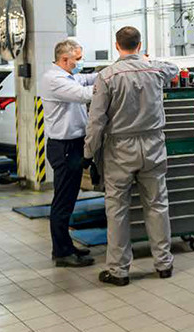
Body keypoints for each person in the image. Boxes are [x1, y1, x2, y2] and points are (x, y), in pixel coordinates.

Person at [85, 26, 179, 286]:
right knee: (157, 205)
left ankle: (118, 271)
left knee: (117, 210)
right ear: (140, 45)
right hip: (153, 145)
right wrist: (146, 60)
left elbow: (96, 121)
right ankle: (164, 264)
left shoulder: (106, 76)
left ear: (116, 45)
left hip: (120, 149)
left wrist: (89, 152)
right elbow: (174, 68)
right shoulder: (155, 70)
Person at [39, 39, 96, 268]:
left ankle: (67, 246)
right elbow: (84, 94)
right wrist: (113, 83)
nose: (81, 63)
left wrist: (114, 71)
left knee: (69, 199)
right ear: (64, 59)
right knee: (63, 202)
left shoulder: (68, 76)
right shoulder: (54, 80)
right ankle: (61, 252)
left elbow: (89, 79)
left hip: (73, 145)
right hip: (64, 147)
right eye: (78, 59)